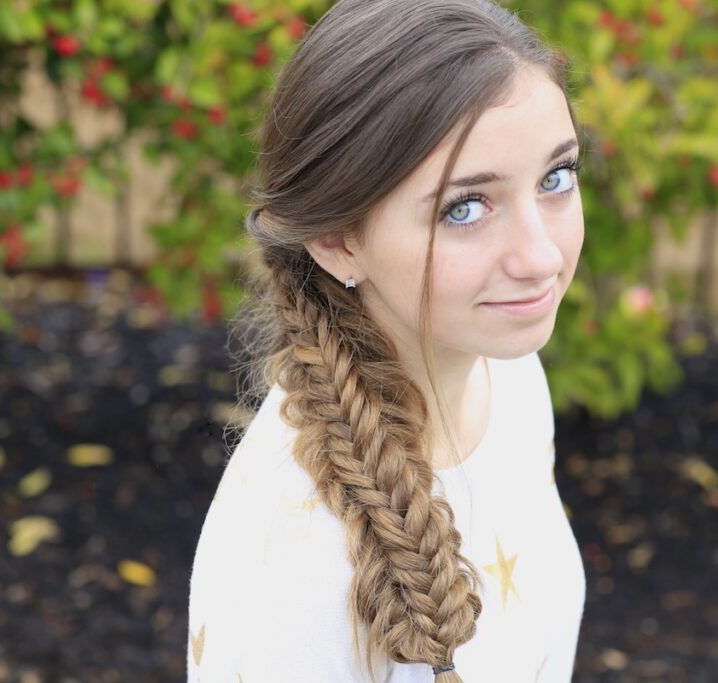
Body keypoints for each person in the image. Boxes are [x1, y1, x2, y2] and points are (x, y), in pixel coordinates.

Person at [187, 0, 587, 680]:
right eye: (466, 208)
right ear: (338, 241)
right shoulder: (301, 558)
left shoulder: (509, 373)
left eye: (555, 178)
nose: (541, 255)